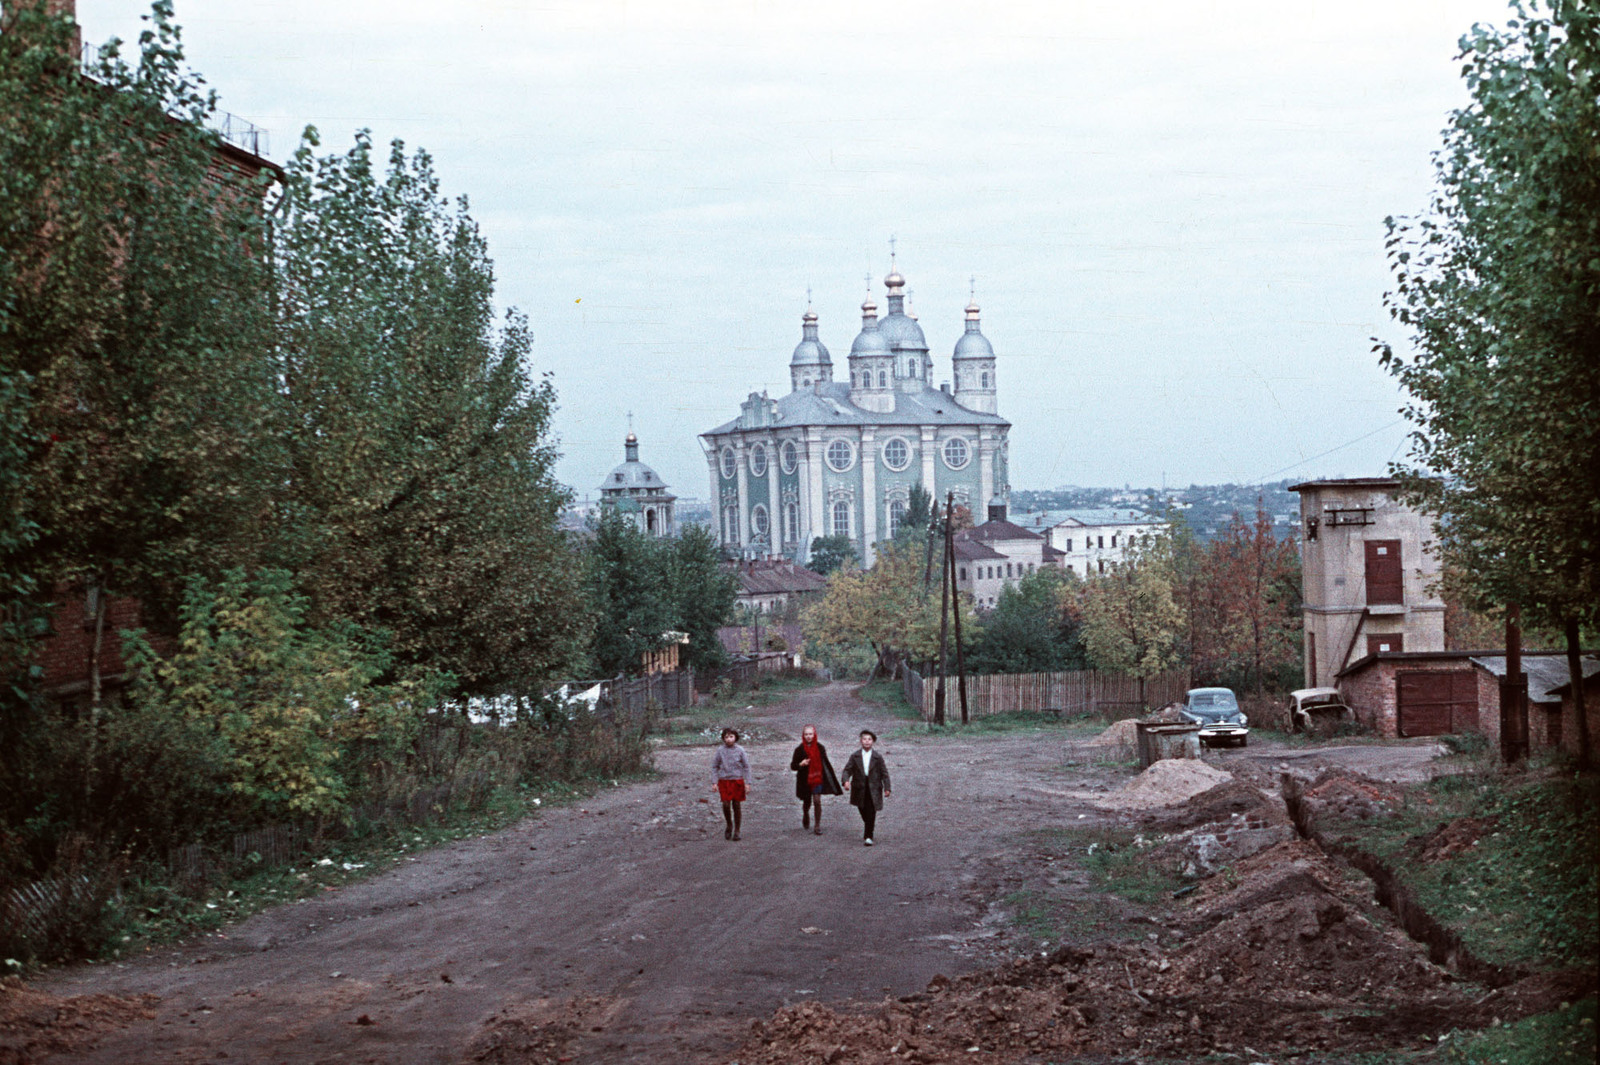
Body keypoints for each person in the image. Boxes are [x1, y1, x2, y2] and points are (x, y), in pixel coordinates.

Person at [838, 729, 890, 846]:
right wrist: (846, 781)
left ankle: (868, 836)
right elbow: (847, 770)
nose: (867, 742)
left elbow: (884, 773)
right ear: (861, 741)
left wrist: (887, 788)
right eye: (864, 739)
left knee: (871, 810)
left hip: (874, 787)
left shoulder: (877, 757)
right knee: (862, 808)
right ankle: (869, 825)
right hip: (859, 787)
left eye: (869, 739)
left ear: (873, 742)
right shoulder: (855, 756)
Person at [788, 724, 842, 835]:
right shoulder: (799, 749)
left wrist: (829, 779)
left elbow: (825, 764)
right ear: (803, 735)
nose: (808, 736)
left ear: (814, 735)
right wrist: (801, 764)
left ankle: (817, 826)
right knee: (807, 802)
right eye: (806, 734)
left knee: (817, 801)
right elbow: (793, 766)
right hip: (804, 780)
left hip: (817, 778)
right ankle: (805, 814)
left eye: (810, 734)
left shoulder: (820, 748)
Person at [711, 727, 751, 841]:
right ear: (723, 738)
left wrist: (748, 783)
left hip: (737, 780)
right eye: (726, 737)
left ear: (735, 737)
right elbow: (715, 766)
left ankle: (737, 830)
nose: (729, 739)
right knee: (726, 804)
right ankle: (729, 824)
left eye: (731, 736)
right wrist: (714, 782)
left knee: (737, 805)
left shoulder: (740, 750)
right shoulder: (720, 751)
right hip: (724, 781)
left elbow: (746, 767)